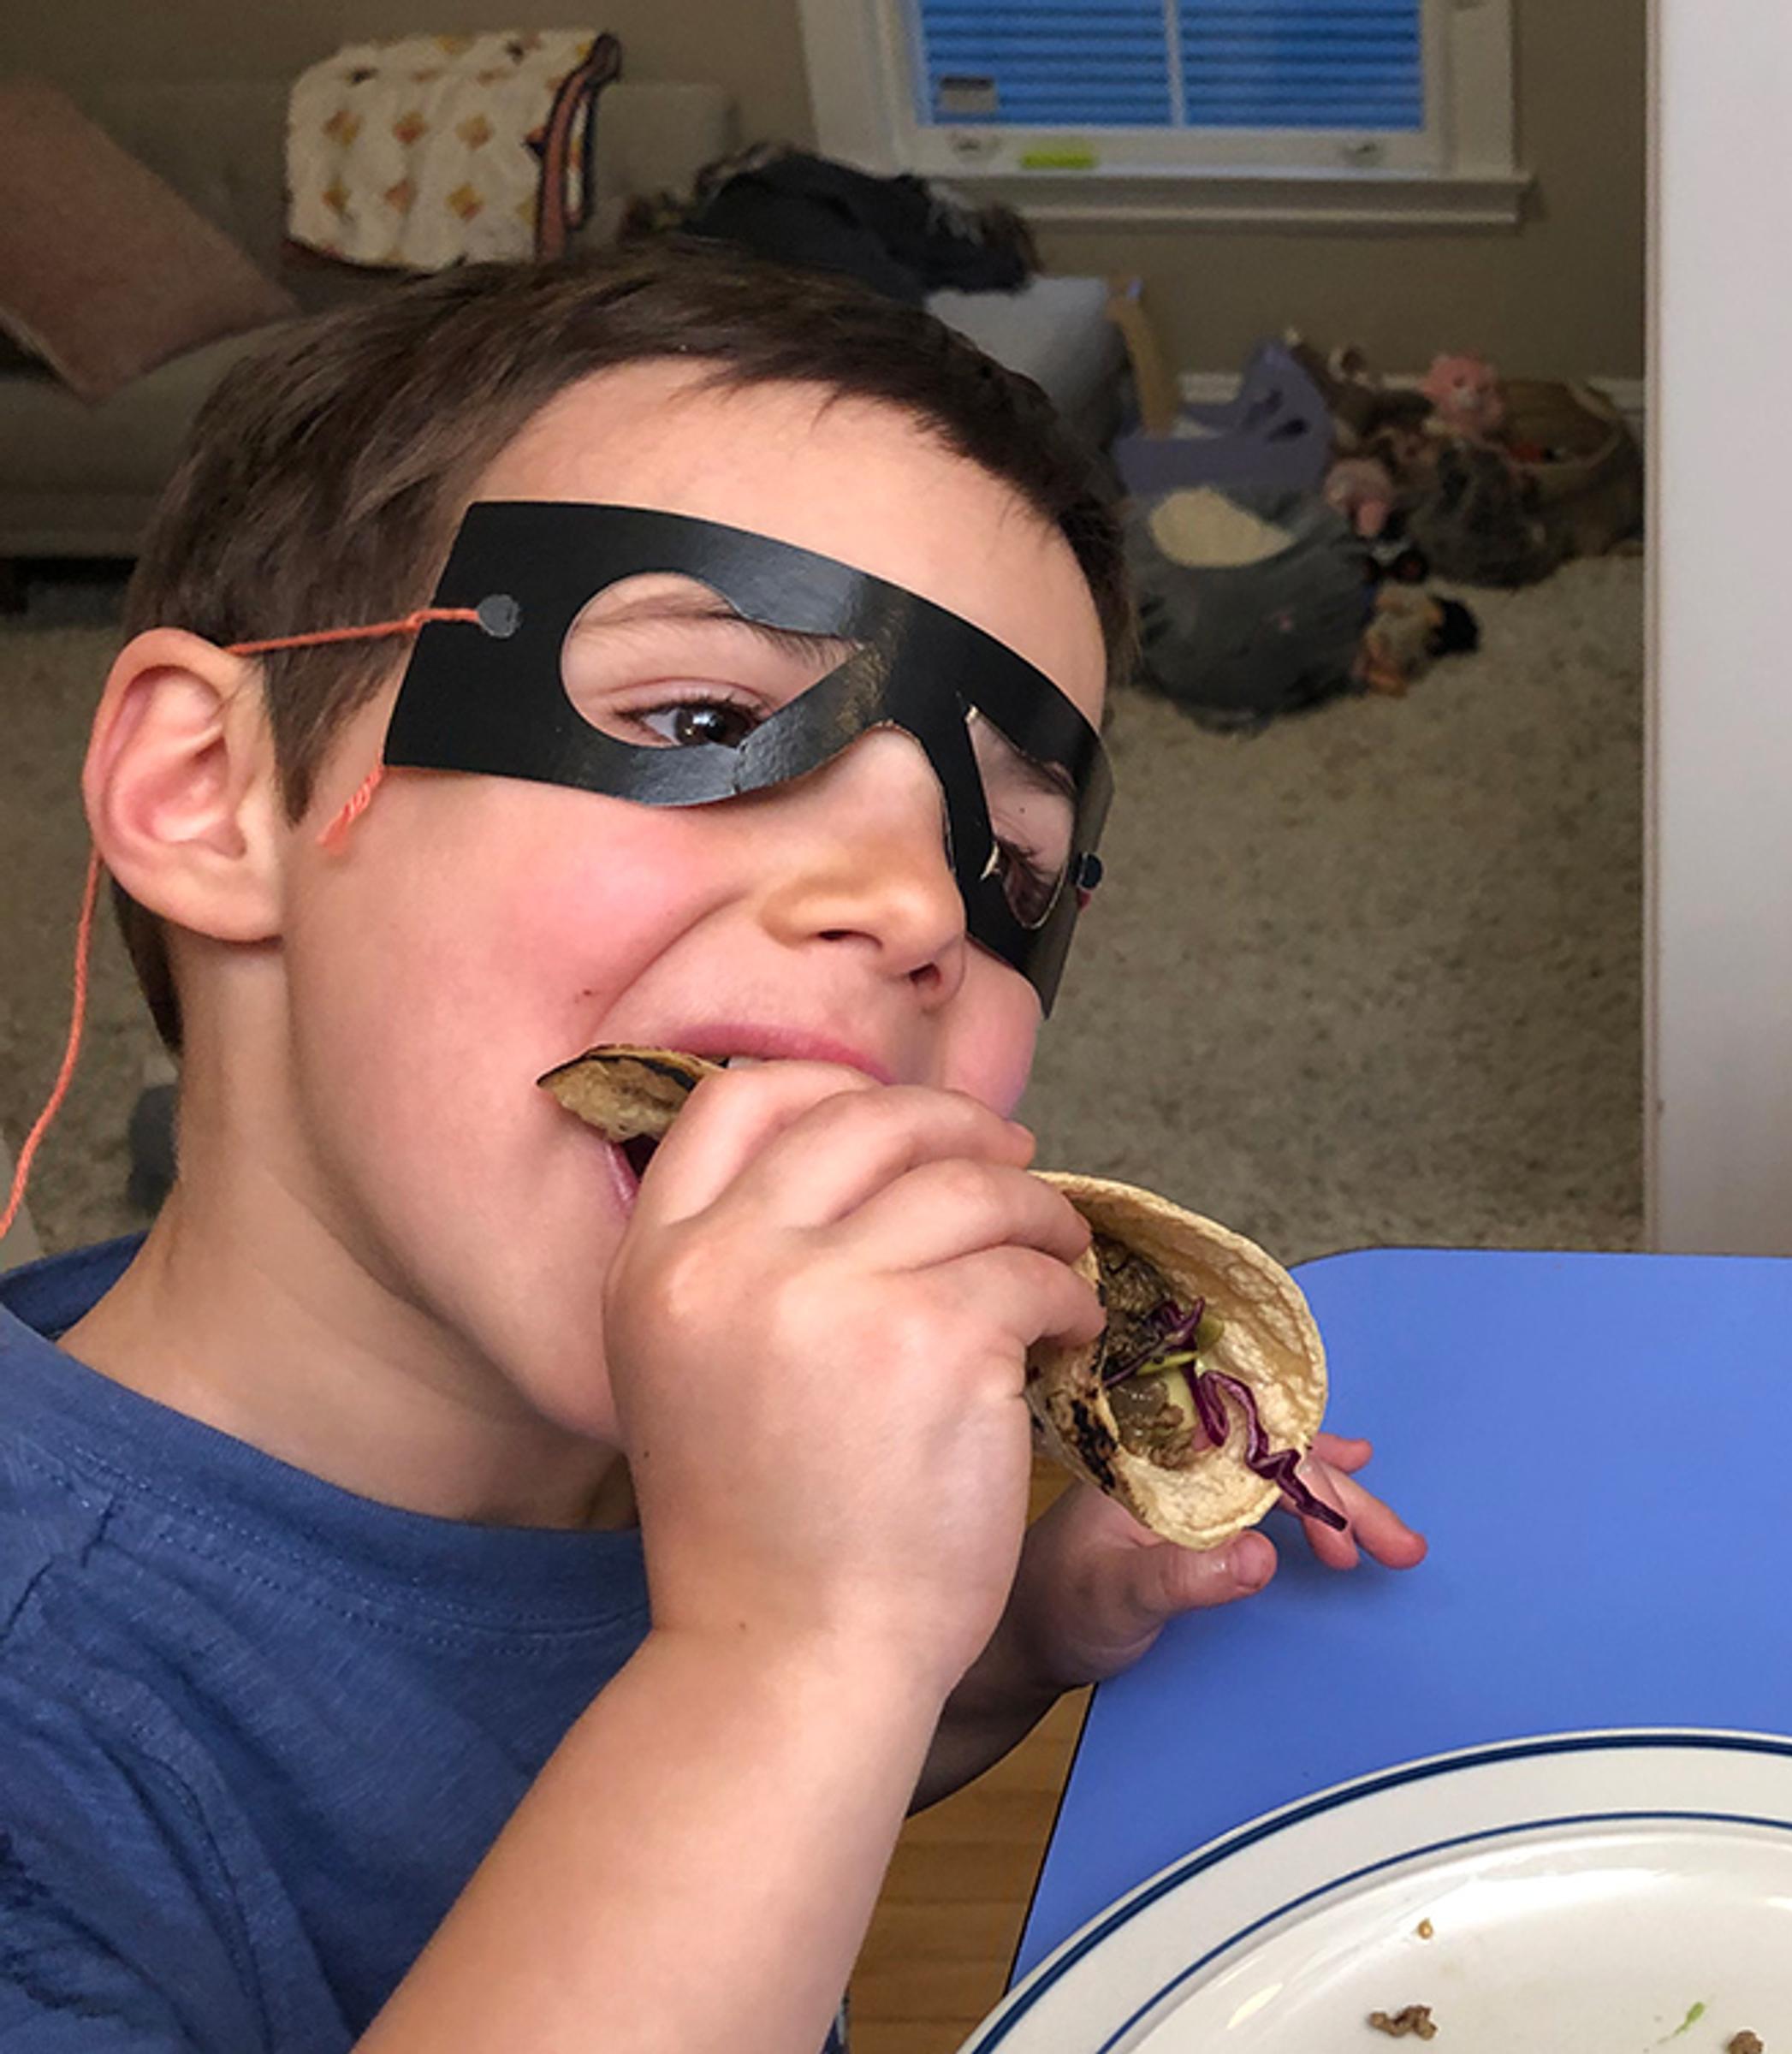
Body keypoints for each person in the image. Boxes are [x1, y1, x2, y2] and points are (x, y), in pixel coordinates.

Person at [0, 244, 1425, 2052]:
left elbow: (654, 1823)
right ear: (209, 797)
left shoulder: (680, 1446)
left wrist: (969, 1646)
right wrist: (790, 1651)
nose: (919, 906)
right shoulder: (44, 1782)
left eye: (1021, 870)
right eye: (702, 722)